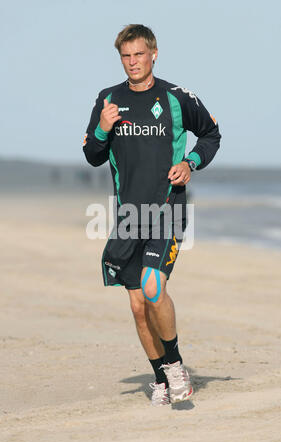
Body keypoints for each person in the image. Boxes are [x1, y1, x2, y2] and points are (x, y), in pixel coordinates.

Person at [83, 24, 221, 406]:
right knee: (137, 304)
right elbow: (93, 155)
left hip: (167, 208)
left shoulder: (177, 98)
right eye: (126, 56)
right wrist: (102, 127)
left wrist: (191, 162)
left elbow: (211, 134)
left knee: (154, 288)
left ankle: (175, 365)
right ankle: (161, 377)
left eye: (139, 55)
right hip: (128, 214)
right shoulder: (107, 99)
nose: (133, 63)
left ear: (154, 54)